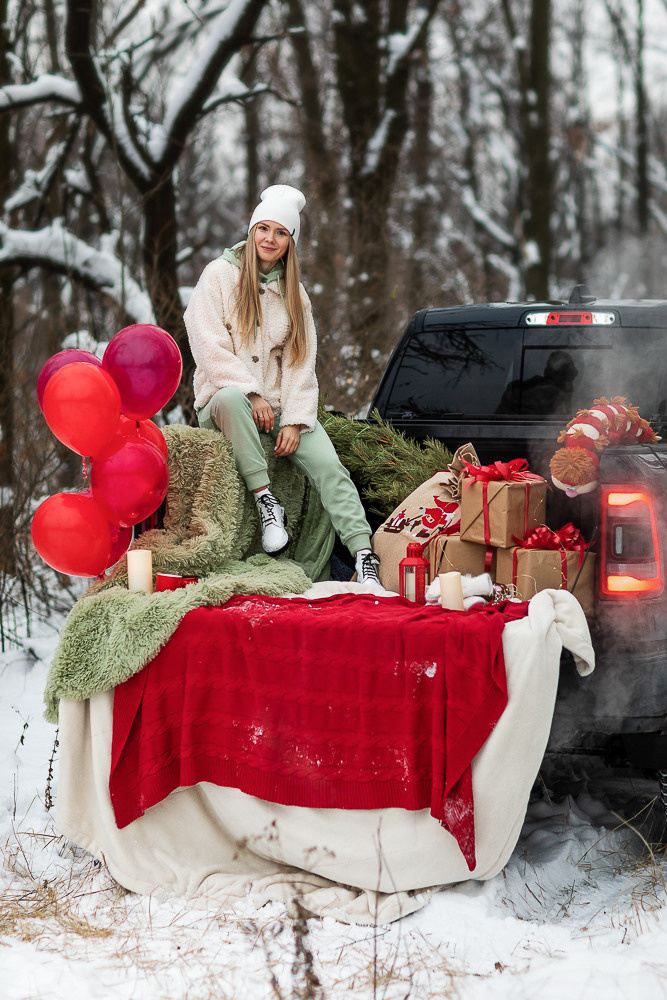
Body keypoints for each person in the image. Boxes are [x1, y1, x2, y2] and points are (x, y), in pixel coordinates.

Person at [184, 183, 383, 588]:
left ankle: (364, 556)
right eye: (264, 229)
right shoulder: (219, 275)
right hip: (223, 399)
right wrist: (249, 390)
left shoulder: (295, 295)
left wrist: (293, 420)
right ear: (252, 229)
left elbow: (299, 365)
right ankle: (266, 501)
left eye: (281, 233)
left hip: (276, 406)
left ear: (291, 241)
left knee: (329, 465)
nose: (269, 239)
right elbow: (206, 342)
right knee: (231, 397)